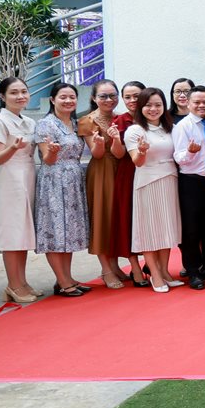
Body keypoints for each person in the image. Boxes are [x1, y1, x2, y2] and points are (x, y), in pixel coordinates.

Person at [34, 82, 90, 297]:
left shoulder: (76, 124)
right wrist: (53, 151)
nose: (68, 101)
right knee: (55, 230)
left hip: (74, 180)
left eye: (72, 97)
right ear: (52, 100)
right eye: (63, 97)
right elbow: (47, 160)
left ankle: (65, 278)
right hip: (54, 181)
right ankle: (64, 281)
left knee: (69, 231)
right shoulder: (45, 124)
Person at [124, 88, 182, 293]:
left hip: (170, 180)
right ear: (140, 107)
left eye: (158, 104)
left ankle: (164, 271)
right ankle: (155, 275)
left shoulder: (171, 128)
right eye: (148, 105)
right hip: (148, 182)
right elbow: (137, 162)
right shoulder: (135, 130)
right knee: (150, 230)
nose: (153, 109)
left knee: (166, 228)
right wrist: (141, 151)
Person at [0, 77, 40, 303]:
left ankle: (22, 281)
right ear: (2, 96)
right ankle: (13, 284)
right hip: (10, 180)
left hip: (28, 176)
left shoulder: (29, 121)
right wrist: (12, 147)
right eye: (13, 92)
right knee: (13, 234)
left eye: (23, 91)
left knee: (23, 232)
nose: (20, 96)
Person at [78, 80, 128, 289]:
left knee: (115, 217)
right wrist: (99, 143)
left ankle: (115, 266)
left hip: (121, 169)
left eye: (112, 95)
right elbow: (97, 154)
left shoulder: (120, 118)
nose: (109, 100)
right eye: (103, 96)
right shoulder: (87, 120)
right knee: (102, 218)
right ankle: (106, 269)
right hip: (101, 171)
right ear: (94, 98)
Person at [171, 85, 205, 290]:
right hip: (192, 182)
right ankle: (193, 270)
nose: (202, 105)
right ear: (189, 103)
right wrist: (191, 152)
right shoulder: (183, 126)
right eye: (197, 102)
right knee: (191, 229)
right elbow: (179, 157)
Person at [110, 81, 148, 287]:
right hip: (129, 173)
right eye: (128, 97)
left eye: (137, 96)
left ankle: (154, 265)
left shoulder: (153, 115)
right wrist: (116, 139)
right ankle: (135, 267)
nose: (133, 100)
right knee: (129, 219)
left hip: (153, 172)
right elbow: (118, 154)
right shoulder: (120, 120)